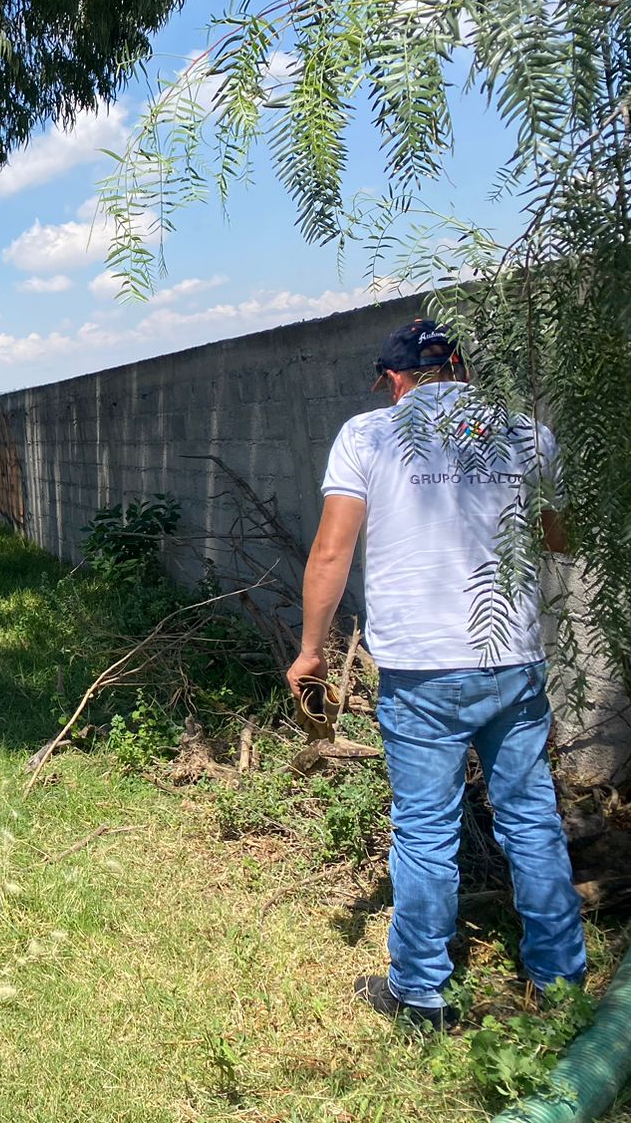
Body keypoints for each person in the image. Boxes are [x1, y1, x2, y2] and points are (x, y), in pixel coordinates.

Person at [286, 318, 586, 1030]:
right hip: (511, 659)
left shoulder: (368, 435)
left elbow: (332, 553)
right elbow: (561, 536)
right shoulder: (527, 434)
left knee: (425, 829)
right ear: (462, 370)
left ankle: (421, 994)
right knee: (531, 816)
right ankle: (562, 984)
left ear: (395, 381)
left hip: (422, 670)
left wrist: (311, 650)